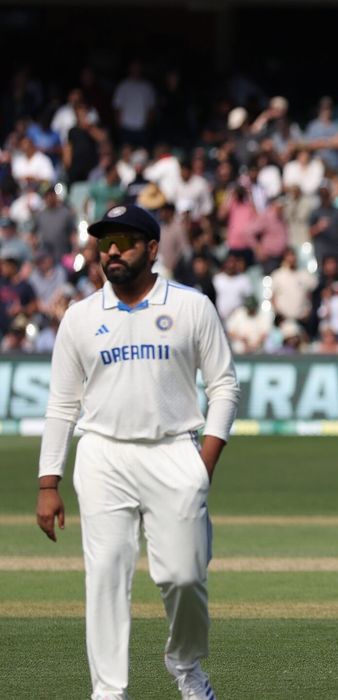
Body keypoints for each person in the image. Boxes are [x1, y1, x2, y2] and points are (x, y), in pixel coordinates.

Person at [35, 204, 239, 700]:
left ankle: (186, 664)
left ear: (152, 249)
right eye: (105, 243)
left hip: (174, 450)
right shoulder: (81, 317)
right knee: (105, 575)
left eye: (124, 242)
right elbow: (62, 403)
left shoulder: (192, 306)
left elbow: (224, 386)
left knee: (185, 576)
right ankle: (108, 691)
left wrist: (203, 461)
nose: (112, 251)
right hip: (103, 454)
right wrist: (48, 482)